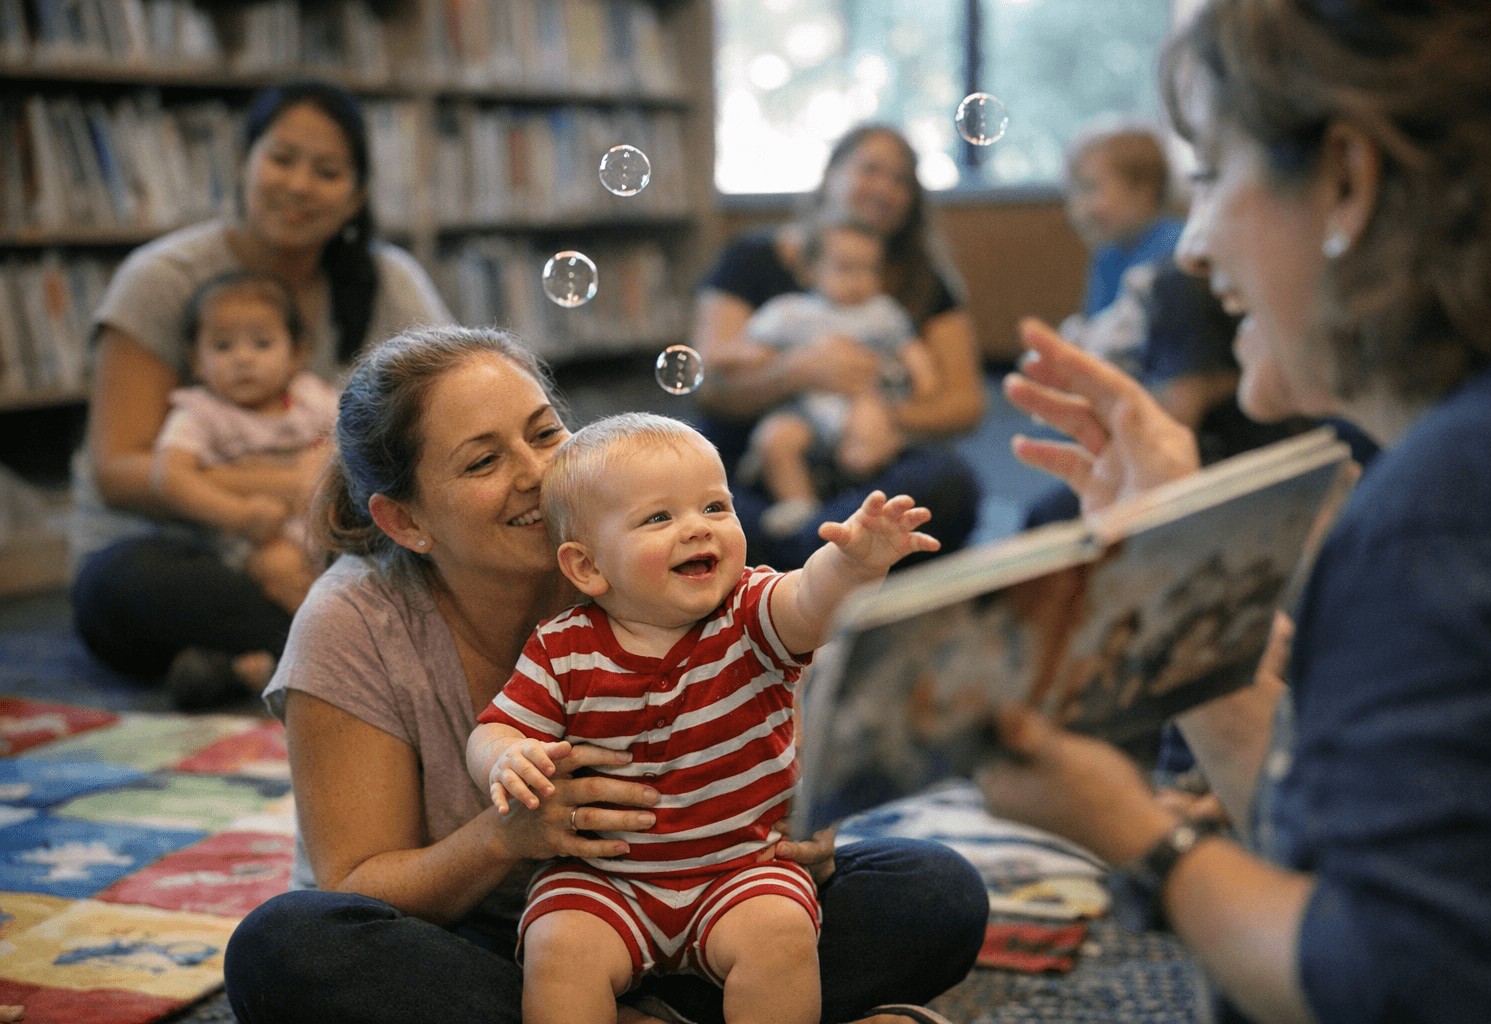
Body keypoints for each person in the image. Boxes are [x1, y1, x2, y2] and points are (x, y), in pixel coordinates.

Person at [980, 3, 1491, 1024]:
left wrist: (1137, 829)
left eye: (1211, 172)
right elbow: (1385, 843)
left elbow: (1385, 985)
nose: (1190, 246)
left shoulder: (1450, 505)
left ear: (1346, 181)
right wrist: (1184, 563)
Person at [223, 325, 989, 1024]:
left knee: (934, 890)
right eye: (484, 461)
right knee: (285, 948)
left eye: (546, 433)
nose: (535, 474)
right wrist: (505, 836)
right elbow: (357, 883)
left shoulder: (645, 557)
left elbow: (791, 637)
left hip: (716, 900)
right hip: (486, 941)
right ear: (405, 520)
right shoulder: (353, 622)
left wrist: (806, 818)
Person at [469, 412, 940, 1024]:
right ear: (587, 567)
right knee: (557, 945)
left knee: (781, 931)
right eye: (659, 518)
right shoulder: (562, 647)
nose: (698, 529)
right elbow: (495, 728)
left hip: (740, 867)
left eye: (716, 507)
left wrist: (854, 566)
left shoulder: (749, 612)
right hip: (605, 878)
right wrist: (506, 757)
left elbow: (810, 602)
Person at [67, 78, 452, 709]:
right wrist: (287, 489)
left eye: (327, 171)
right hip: (182, 541)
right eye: (280, 159)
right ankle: (368, 652)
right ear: (244, 163)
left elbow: (444, 419)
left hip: (337, 535)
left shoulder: (388, 282)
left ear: (356, 196)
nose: (298, 185)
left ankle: (259, 662)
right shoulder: (162, 279)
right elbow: (118, 471)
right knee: (120, 588)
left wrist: (319, 493)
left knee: (438, 550)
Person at [691, 124, 985, 570]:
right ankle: (839, 552)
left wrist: (881, 418)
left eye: (901, 179)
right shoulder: (752, 258)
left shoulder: (925, 282)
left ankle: (807, 561)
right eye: (870, 169)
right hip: (764, 462)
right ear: (832, 173)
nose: (884, 189)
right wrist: (798, 371)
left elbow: (963, 403)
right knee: (705, 506)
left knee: (950, 484)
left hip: (868, 466)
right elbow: (711, 386)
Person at [153, 270, 335, 625]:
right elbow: (169, 477)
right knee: (280, 569)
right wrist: (238, 514)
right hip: (254, 537)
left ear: (297, 354)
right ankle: (307, 647)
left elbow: (356, 435)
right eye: (223, 346)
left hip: (325, 525)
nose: (243, 359)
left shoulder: (309, 396)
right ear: (195, 361)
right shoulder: (199, 413)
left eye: (262, 344)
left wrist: (325, 461)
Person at [740, 217, 939, 538]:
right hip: (807, 410)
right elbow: (753, 348)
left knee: (867, 445)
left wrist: (924, 376)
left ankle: (857, 503)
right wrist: (769, 362)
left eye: (869, 269)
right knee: (775, 438)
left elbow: (909, 348)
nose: (858, 280)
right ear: (810, 271)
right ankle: (799, 504)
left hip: (863, 401)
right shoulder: (790, 312)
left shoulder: (881, 312)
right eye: (845, 268)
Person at [1061, 123, 1185, 322]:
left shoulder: (1178, 250)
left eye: (1090, 188)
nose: (1078, 208)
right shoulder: (1108, 257)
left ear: (1144, 186)